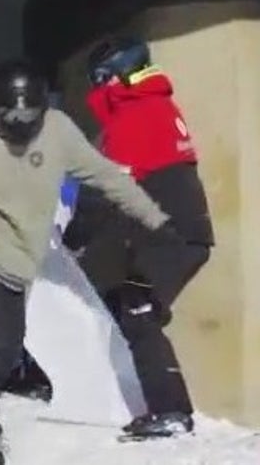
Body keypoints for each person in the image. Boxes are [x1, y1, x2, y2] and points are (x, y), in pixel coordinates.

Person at [0, 58, 184, 465]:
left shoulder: (58, 131)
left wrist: (154, 219)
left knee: (7, 348)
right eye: (11, 116)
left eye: (29, 117)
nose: (20, 124)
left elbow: (107, 176)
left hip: (18, 261)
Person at [80, 37, 212, 440]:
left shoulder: (135, 114)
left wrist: (76, 235)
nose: (97, 88)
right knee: (131, 303)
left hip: (173, 239)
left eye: (99, 79)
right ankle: (167, 406)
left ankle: (171, 412)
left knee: (139, 312)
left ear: (113, 75)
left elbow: (108, 189)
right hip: (177, 236)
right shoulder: (157, 105)